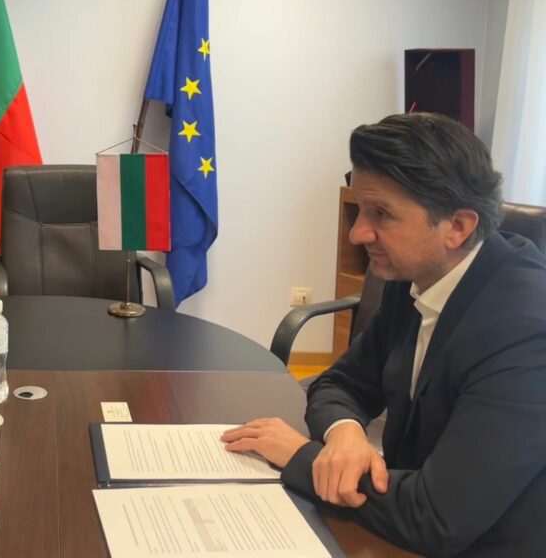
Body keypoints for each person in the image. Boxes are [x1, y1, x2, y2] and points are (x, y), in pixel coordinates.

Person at [221, 113, 546, 557]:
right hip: (402, 523)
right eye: (359, 209)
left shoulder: (527, 331)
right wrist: (345, 434)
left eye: (381, 214)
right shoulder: (415, 276)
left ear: (458, 227)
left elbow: (436, 517)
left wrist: (299, 455)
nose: (358, 233)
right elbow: (340, 383)